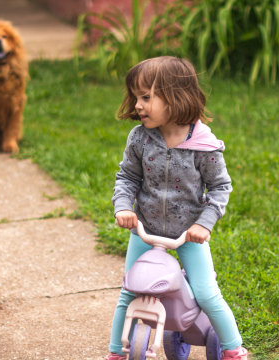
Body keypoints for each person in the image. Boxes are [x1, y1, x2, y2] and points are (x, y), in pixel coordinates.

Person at [105, 56, 248, 360]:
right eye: (135, 97)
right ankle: (117, 352)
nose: (138, 105)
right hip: (146, 230)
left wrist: (203, 224)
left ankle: (233, 349)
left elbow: (220, 188)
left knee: (207, 294)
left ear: (175, 98)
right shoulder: (140, 139)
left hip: (188, 234)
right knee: (128, 293)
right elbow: (127, 177)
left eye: (146, 97)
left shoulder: (203, 147)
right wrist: (123, 207)